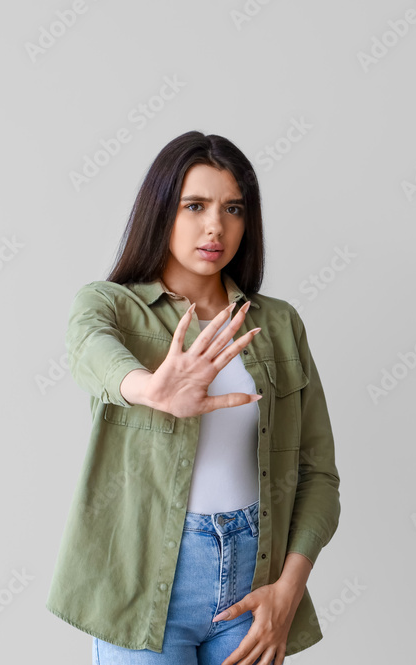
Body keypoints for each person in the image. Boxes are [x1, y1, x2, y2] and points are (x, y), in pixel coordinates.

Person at [46, 130, 341, 665]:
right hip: (140, 583)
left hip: (254, 579)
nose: (216, 226)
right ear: (161, 212)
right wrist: (149, 388)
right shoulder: (113, 306)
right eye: (195, 205)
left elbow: (317, 473)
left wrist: (288, 589)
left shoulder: (277, 324)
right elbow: (87, 348)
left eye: (232, 208)